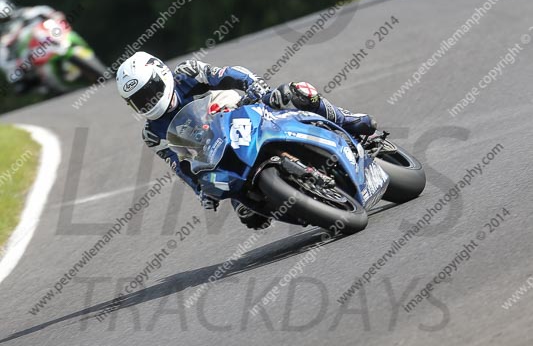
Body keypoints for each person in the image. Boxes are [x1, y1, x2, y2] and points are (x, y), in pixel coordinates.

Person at [116, 53, 377, 229]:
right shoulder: (153, 134)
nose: (147, 102)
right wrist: (200, 191)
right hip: (217, 154)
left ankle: (345, 119)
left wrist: (257, 88)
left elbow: (231, 74)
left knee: (296, 92)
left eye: (149, 93)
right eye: (138, 101)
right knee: (249, 215)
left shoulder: (188, 73)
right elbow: (180, 165)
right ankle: (309, 206)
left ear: (161, 75)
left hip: (244, 111)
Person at [0, 0, 56, 93]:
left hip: (39, 35)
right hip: (22, 47)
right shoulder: (2, 30)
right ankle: (20, 80)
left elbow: (39, 10)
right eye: (2, 19)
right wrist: (5, 41)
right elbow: (3, 44)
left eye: (6, 17)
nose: (5, 20)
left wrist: (51, 13)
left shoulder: (21, 12)